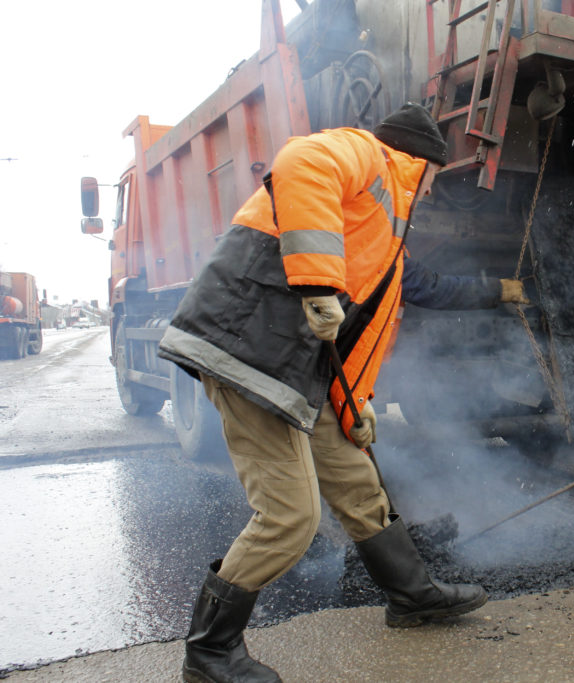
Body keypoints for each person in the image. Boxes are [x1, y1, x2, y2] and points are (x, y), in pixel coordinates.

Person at [158, 102, 528, 683]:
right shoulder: (367, 156)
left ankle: (412, 596)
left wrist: (498, 292)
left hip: (294, 368)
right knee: (289, 519)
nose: (432, 191)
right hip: (249, 353)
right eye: (434, 177)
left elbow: (415, 292)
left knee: (358, 478)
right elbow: (302, 160)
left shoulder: (383, 235)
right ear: (422, 163)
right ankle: (208, 652)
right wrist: (316, 280)